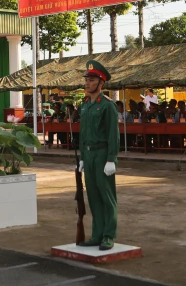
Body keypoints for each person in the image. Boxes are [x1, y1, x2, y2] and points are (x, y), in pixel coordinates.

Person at [77, 60, 119, 251]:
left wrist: (111, 159)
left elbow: (113, 135)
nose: (87, 83)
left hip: (102, 154)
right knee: (93, 196)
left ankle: (108, 235)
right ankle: (97, 234)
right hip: (89, 154)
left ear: (101, 83)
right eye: (86, 80)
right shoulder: (85, 105)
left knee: (107, 196)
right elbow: (83, 133)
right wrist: (82, 158)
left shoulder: (108, 106)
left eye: (92, 80)